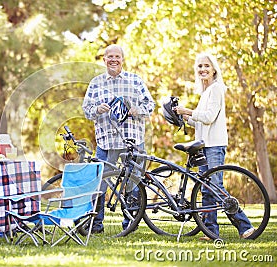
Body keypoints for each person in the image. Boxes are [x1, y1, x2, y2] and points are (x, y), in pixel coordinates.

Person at [174, 52, 255, 239]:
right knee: (206, 188)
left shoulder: (217, 89)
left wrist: (188, 110)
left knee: (216, 186)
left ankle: (245, 227)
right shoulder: (206, 92)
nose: (202, 69)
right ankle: (210, 231)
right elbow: (202, 121)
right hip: (204, 145)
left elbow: (209, 117)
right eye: (200, 66)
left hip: (214, 146)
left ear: (213, 70)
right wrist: (186, 118)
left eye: (206, 66)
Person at [82, 44, 155, 233]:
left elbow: (150, 105)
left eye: (117, 56)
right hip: (106, 142)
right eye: (110, 56)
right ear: (104, 59)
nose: (114, 59)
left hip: (133, 140)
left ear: (122, 59)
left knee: (133, 183)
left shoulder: (135, 80)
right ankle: (95, 225)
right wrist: (97, 110)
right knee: (100, 183)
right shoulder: (96, 83)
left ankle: (130, 224)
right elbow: (86, 110)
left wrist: (138, 110)